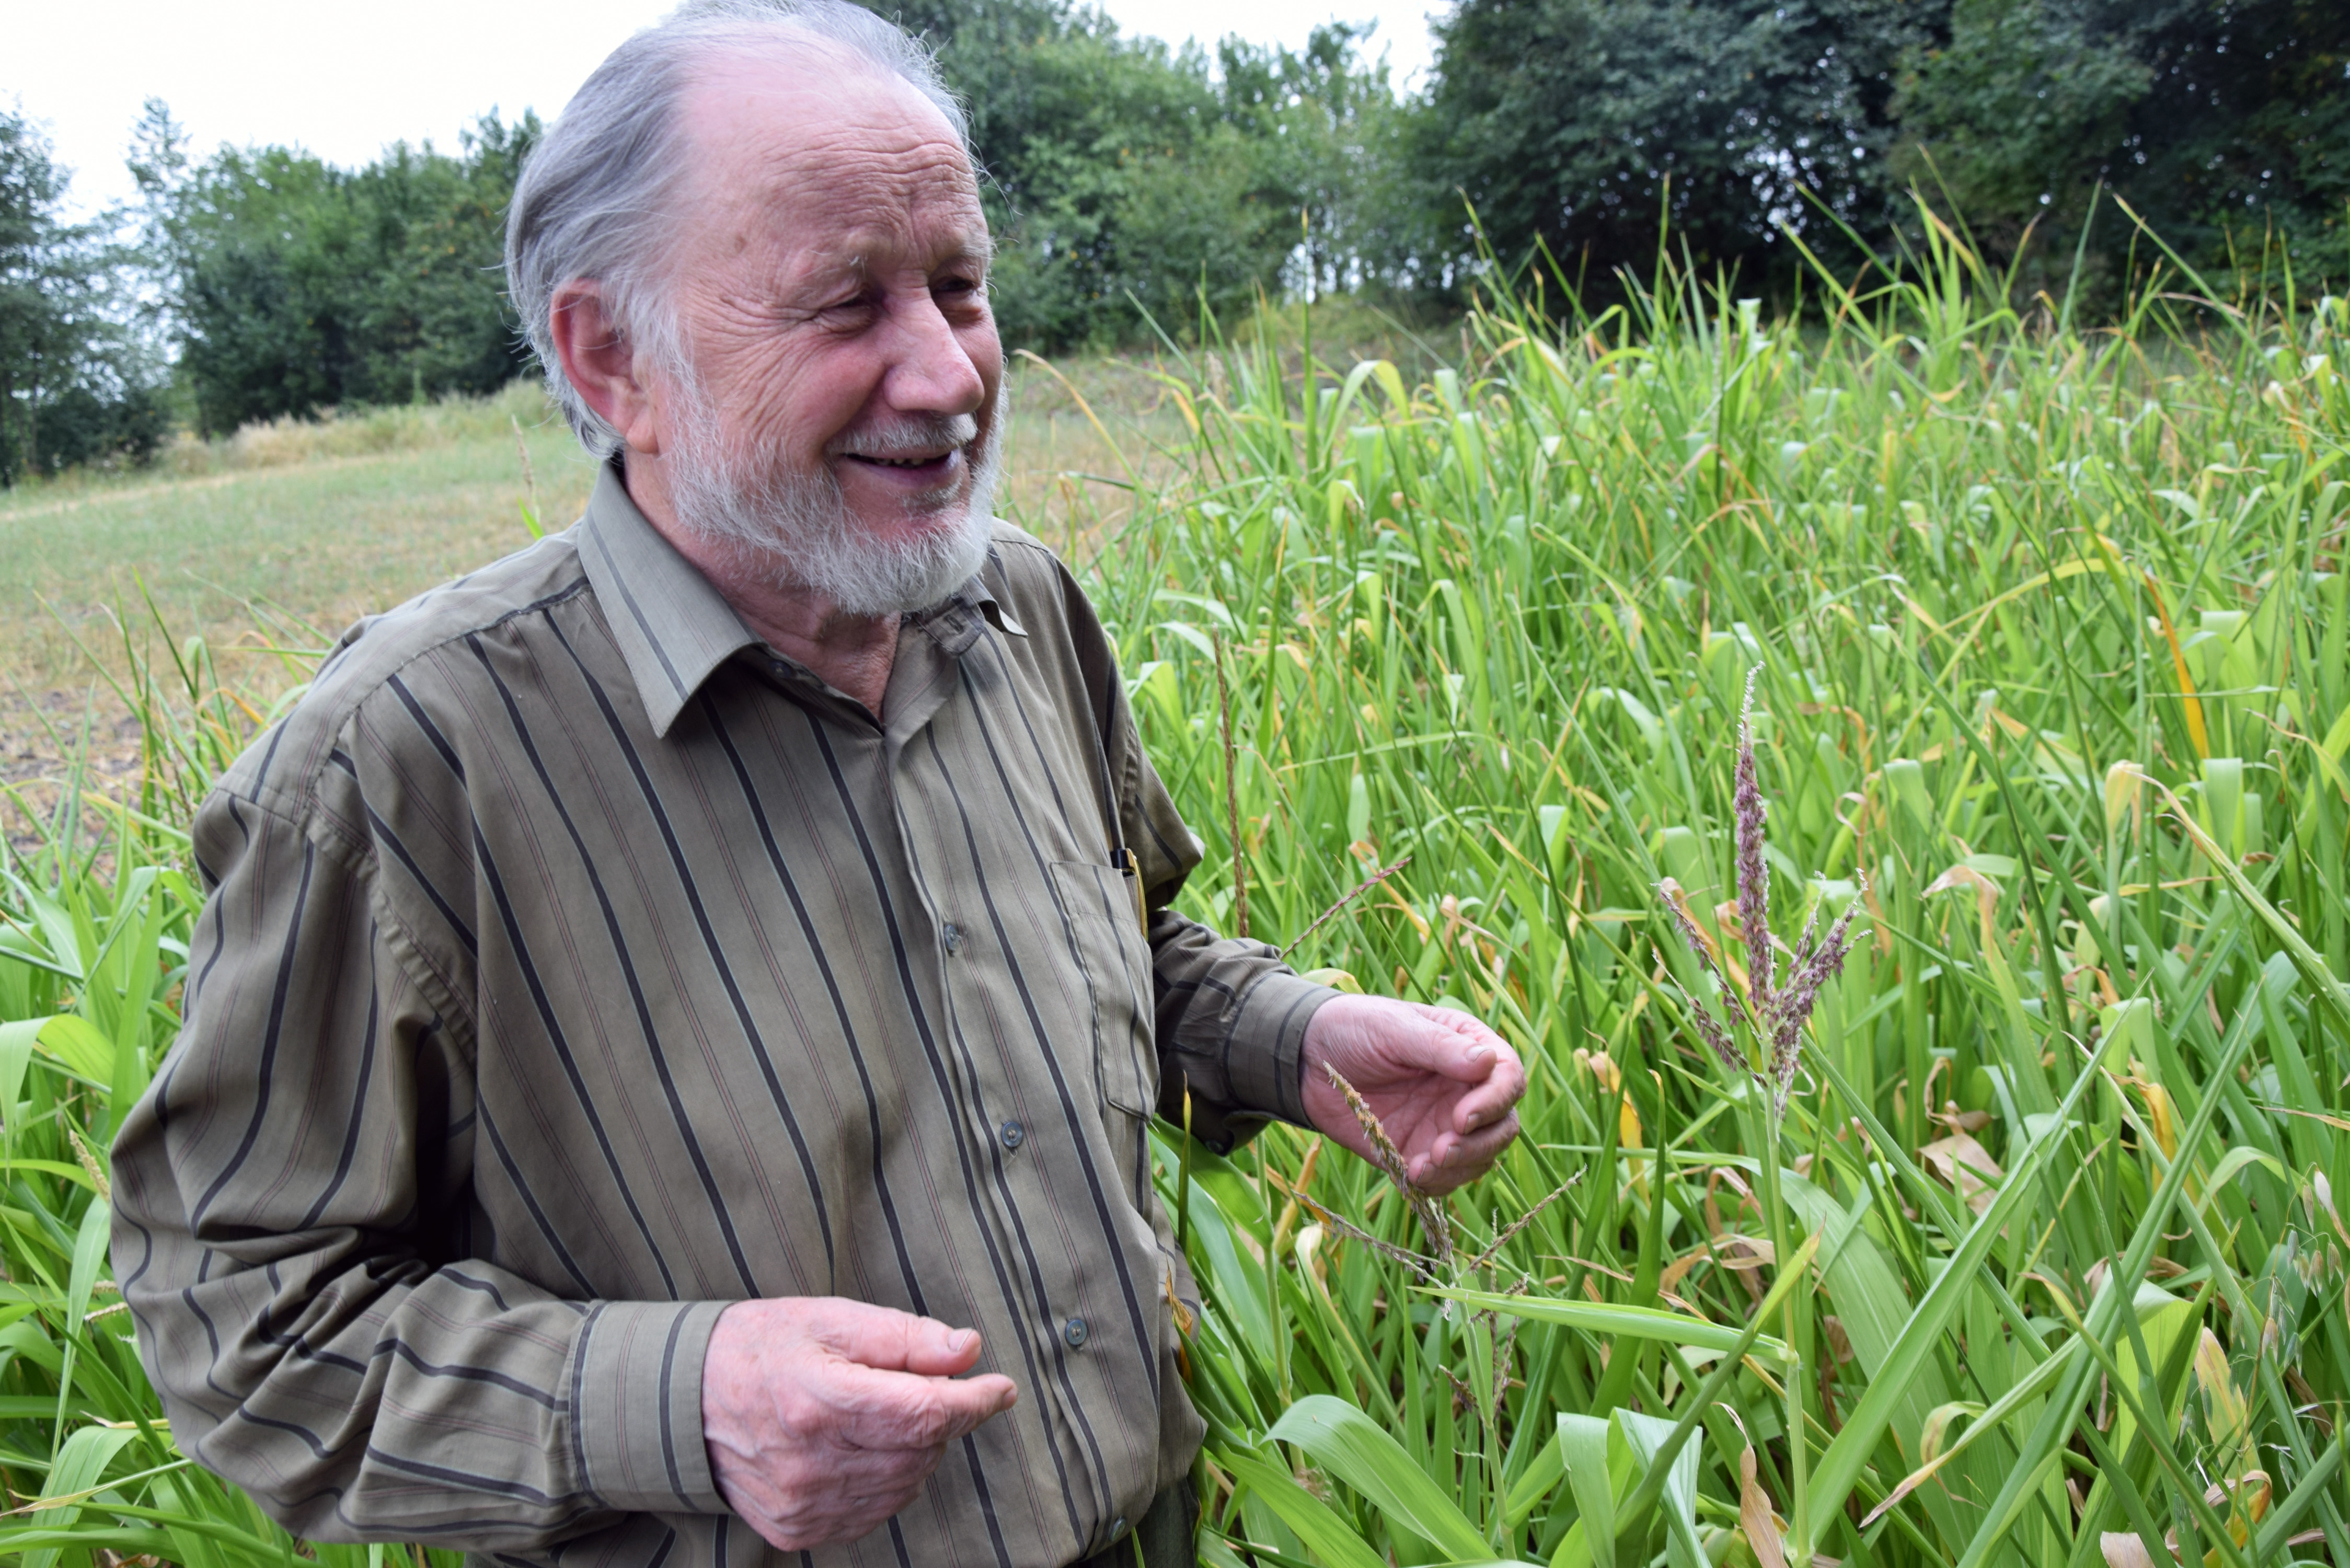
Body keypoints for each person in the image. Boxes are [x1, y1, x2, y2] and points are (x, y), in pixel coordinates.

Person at [108, 4, 1527, 1565]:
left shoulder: (1019, 611)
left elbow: (1128, 950)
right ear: (613, 356)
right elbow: (238, 1320)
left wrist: (1292, 1039)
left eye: (962, 286)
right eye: (848, 303)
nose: (945, 373)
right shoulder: (399, 769)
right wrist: (676, 1400)